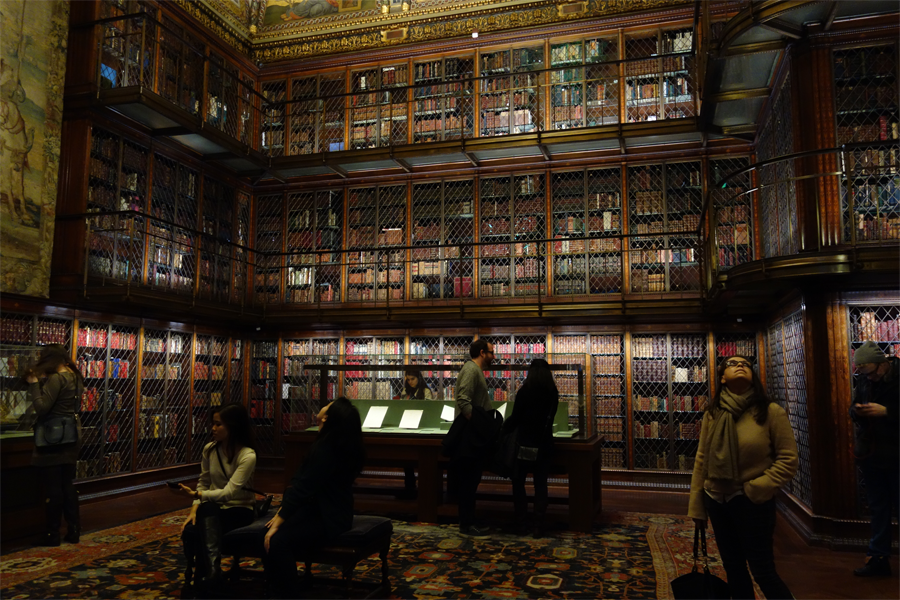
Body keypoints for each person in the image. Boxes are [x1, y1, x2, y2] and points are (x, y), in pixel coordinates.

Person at [688, 355, 798, 600]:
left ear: (753, 376)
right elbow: (702, 459)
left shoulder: (770, 412)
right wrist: (697, 505)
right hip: (717, 500)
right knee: (734, 569)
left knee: (763, 572)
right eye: (732, 364)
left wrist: (757, 487)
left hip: (752, 503)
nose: (739, 366)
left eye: (745, 364)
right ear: (723, 378)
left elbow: (788, 460)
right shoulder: (713, 413)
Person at [263, 397, 365, 600]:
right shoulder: (337, 443)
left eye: (328, 406)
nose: (323, 405)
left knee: (277, 540)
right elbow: (302, 483)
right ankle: (279, 587)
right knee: (271, 534)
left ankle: (286, 593)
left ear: (327, 418)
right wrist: (283, 514)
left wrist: (280, 519)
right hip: (332, 511)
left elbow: (304, 486)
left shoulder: (327, 449)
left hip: (328, 516)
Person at [176, 404, 256, 594]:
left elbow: (229, 493)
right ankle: (212, 575)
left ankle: (203, 583)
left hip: (240, 509)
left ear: (233, 427)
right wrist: (193, 509)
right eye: (213, 423)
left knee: (205, 521)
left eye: (218, 424)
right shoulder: (210, 450)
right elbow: (203, 482)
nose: (213, 428)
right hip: (212, 508)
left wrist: (197, 496)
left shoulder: (248, 455)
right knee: (205, 512)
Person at [25, 344, 85, 546]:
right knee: (67, 484)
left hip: (53, 436)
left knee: (53, 487)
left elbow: (42, 408)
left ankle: (52, 534)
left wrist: (33, 384)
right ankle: (74, 530)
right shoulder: (75, 376)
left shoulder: (57, 378)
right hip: (72, 433)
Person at [850, 341, 900, 577]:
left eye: (869, 372)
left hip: (897, 455)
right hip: (873, 456)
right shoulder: (864, 379)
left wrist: (887, 412)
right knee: (878, 509)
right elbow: (852, 408)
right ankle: (878, 559)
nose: (867, 378)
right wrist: (857, 411)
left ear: (882, 364)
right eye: (862, 373)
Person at [502, 358, 559, 537]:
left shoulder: (524, 392)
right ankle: (538, 525)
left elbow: (516, 417)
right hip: (544, 444)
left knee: (518, 483)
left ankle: (521, 522)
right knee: (540, 484)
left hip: (524, 443)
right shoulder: (552, 392)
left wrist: (503, 428)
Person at [452, 338, 495, 539]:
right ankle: (467, 524)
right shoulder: (471, 369)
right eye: (491, 352)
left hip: (472, 434)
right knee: (469, 481)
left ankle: (469, 521)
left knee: (471, 480)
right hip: (470, 435)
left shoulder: (474, 370)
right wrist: (478, 424)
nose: (493, 356)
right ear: (481, 353)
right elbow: (463, 399)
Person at [397, 369, 434, 497]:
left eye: (412, 379)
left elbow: (430, 410)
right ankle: (410, 486)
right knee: (407, 459)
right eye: (408, 379)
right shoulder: (405, 391)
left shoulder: (426, 391)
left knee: (422, 460)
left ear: (418, 378)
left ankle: (425, 489)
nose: (410, 382)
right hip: (407, 425)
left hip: (422, 426)